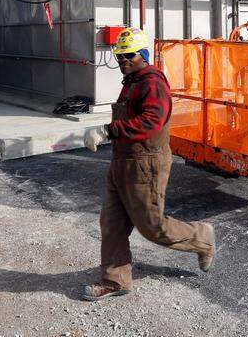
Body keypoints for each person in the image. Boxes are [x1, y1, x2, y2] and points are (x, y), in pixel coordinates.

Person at [80, 27, 216, 300]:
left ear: (143, 54)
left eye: (129, 55)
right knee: (112, 223)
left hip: (145, 164)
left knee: (152, 226)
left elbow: (151, 122)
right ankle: (115, 280)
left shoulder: (152, 83)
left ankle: (201, 238)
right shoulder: (131, 81)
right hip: (122, 162)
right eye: (119, 56)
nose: (123, 60)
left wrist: (109, 131)